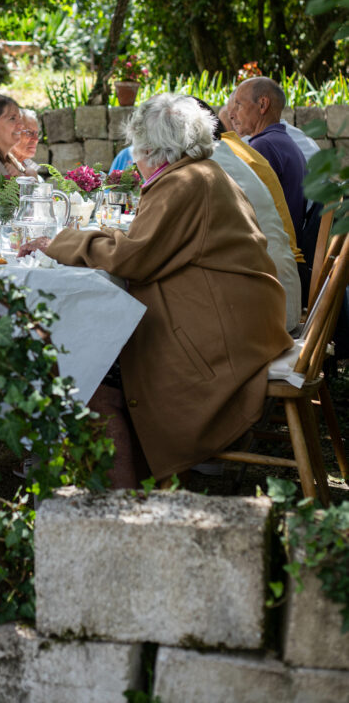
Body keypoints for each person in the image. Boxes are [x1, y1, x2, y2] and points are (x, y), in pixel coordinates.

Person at [19, 94, 292, 488]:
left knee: (94, 372)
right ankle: (145, 482)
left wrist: (58, 242)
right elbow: (146, 250)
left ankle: (126, 504)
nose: (133, 159)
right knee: (106, 355)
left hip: (222, 340)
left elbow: (134, 258)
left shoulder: (182, 182)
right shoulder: (202, 172)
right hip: (243, 321)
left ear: (152, 148)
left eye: (136, 149)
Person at [192, 100, 301, 332]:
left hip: (265, 318)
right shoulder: (230, 153)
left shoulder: (204, 167)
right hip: (279, 295)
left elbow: (160, 242)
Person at [229, 78, 307, 241]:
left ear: (263, 104)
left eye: (238, 105)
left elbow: (246, 208)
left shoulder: (263, 146)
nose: (231, 114)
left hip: (273, 249)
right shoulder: (284, 142)